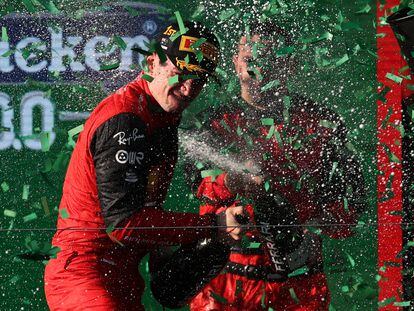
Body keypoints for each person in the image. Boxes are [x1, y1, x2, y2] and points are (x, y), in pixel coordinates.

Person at [44, 21, 245, 311]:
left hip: (122, 278)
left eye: (198, 80)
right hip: (83, 277)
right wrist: (211, 225)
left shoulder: (163, 118)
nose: (189, 89)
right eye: (181, 73)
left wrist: (172, 259)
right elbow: (123, 226)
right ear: (152, 63)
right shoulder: (125, 118)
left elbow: (147, 212)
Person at [181, 20, 366, 310]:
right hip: (225, 288)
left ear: (290, 65)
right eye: (251, 60)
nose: (259, 71)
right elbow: (200, 194)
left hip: (299, 287)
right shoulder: (211, 125)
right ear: (236, 64)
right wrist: (233, 183)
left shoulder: (322, 124)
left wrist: (305, 222)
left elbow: (349, 213)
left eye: (272, 61)